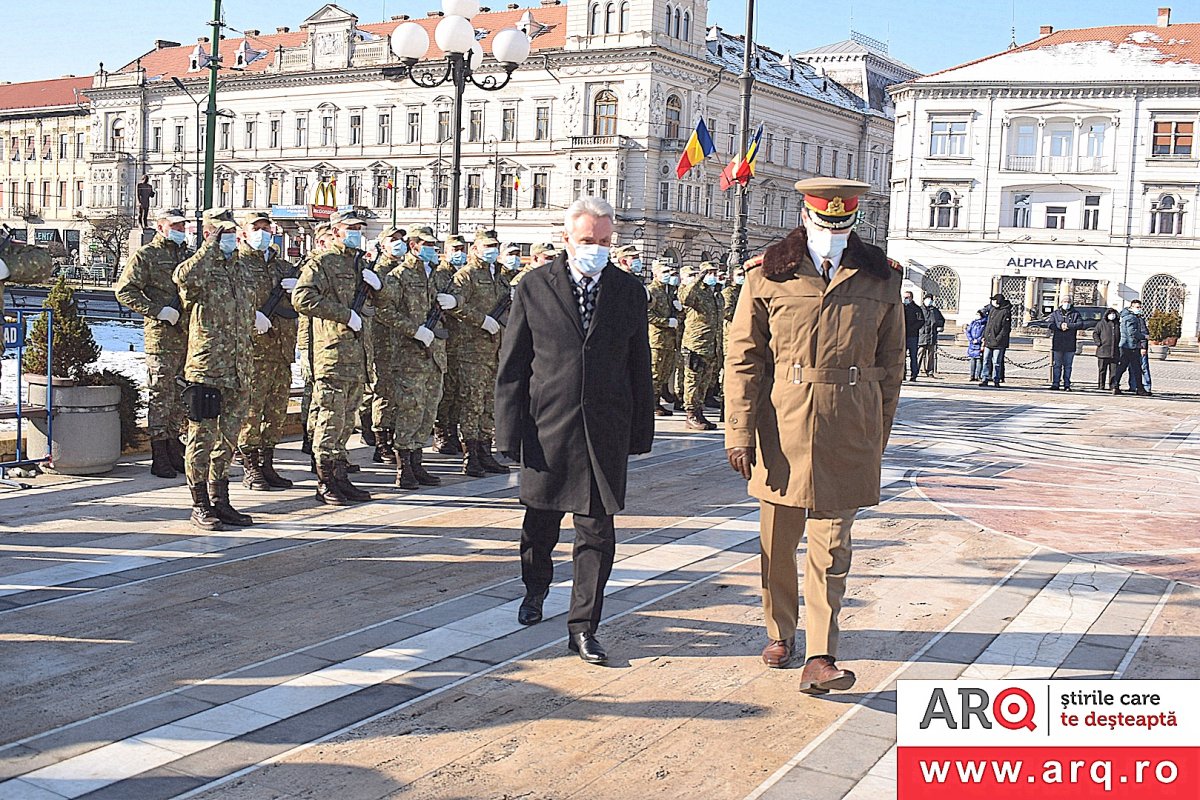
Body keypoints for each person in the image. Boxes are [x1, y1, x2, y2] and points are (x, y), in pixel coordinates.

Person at [725, 178, 903, 695]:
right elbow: (743, 360)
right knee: (778, 544)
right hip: (781, 426)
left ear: (853, 223)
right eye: (825, 224)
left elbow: (891, 364)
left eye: (841, 225)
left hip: (848, 427)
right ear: (806, 217)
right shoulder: (767, 274)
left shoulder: (879, 278)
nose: (832, 233)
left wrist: (878, 430)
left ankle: (822, 654)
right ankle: (780, 633)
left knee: (832, 549)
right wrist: (738, 431)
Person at [495, 196, 655, 665]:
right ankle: (535, 587)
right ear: (567, 239)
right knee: (540, 523)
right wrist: (508, 432)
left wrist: (640, 431)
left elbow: (638, 365)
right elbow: (514, 364)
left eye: (605, 241)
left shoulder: (627, 290)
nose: (597, 249)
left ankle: (583, 627)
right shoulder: (534, 286)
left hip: (605, 426)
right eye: (588, 241)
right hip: (549, 425)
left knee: (597, 532)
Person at [174, 208, 257, 530]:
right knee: (201, 439)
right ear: (209, 234)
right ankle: (200, 504)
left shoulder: (241, 268)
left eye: (231, 233)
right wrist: (209, 246)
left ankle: (221, 500)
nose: (229, 239)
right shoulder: (202, 268)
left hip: (239, 368)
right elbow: (183, 278)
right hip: (208, 367)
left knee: (228, 439)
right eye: (222, 234)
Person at [292, 210, 380, 504]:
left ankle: (341, 477)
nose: (357, 232)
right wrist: (344, 314)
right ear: (337, 231)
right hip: (332, 354)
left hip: (358, 356)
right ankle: (325, 481)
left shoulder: (359, 264)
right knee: (329, 420)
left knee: (345, 422)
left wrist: (378, 286)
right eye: (351, 228)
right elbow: (302, 298)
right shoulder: (322, 262)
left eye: (360, 228)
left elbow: (378, 302)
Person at [374, 225, 457, 489]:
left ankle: (418, 463)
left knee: (428, 409)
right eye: (429, 246)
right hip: (411, 354)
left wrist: (454, 301)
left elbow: (461, 296)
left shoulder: (438, 276)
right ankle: (404, 467)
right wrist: (414, 330)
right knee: (410, 410)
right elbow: (382, 310)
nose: (434, 249)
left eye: (435, 245)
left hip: (436, 355)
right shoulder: (399, 276)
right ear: (414, 246)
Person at [114, 208, 191, 478]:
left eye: (183, 226)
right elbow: (125, 291)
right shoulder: (146, 256)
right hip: (161, 336)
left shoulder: (187, 256)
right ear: (161, 227)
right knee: (161, 394)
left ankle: (173, 447)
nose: (181, 231)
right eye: (176, 226)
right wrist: (157, 310)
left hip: (186, 335)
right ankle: (159, 453)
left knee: (181, 395)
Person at [236, 212, 299, 490]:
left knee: (276, 412)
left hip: (282, 350)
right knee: (251, 412)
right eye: (256, 227)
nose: (262, 232)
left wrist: (295, 290)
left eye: (266, 227)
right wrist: (252, 317)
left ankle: (268, 463)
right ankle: (250, 467)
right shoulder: (236, 265)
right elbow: (227, 302)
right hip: (253, 352)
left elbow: (305, 301)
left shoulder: (282, 267)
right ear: (244, 232)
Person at [447, 228, 511, 477]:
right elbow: (454, 304)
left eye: (495, 246)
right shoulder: (466, 275)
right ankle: (470, 454)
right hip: (472, 348)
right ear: (475, 249)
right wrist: (481, 319)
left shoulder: (500, 276)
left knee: (489, 402)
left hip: (496, 349)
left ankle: (485, 450)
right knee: (472, 402)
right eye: (487, 246)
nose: (492, 250)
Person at [364, 226, 407, 466]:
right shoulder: (377, 271)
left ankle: (393, 436)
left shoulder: (402, 270)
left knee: (398, 392)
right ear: (382, 245)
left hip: (402, 341)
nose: (398, 243)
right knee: (384, 391)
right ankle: (381, 442)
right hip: (383, 339)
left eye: (401, 239)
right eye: (393, 240)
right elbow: (378, 309)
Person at [298, 223, 334, 466]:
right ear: (321, 243)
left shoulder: (336, 267)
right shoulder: (312, 268)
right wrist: (304, 349)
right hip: (315, 342)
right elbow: (305, 318)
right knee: (315, 398)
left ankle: (329, 454)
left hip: (329, 341)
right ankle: (312, 444)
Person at [433, 234, 470, 456]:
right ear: (446, 250)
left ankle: (453, 431)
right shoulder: (440, 274)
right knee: (445, 390)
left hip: (463, 340)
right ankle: (442, 432)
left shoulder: (464, 274)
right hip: (445, 339)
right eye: (454, 248)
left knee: (457, 389)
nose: (459, 252)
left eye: (461, 248)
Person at [679, 262, 721, 430]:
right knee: (693, 381)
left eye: (714, 272)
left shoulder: (715, 294)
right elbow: (685, 298)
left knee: (704, 381)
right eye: (709, 272)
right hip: (695, 344)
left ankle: (699, 410)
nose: (713, 275)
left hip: (712, 345)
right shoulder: (696, 292)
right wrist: (698, 278)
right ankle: (691, 414)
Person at [647, 260, 680, 417]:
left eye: (670, 272)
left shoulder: (669, 291)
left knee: (665, 373)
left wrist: (678, 310)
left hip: (670, 340)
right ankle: (652, 403)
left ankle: (658, 400)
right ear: (656, 275)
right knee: (655, 372)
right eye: (664, 273)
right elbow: (647, 314)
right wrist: (666, 322)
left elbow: (677, 314)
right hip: (658, 339)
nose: (668, 275)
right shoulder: (652, 291)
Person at [1045, 299, 1085, 391]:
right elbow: (1050, 324)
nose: (1066, 303)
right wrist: (1059, 326)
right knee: (1057, 365)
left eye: (1068, 302)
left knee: (1068, 366)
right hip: (1058, 343)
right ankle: (1055, 383)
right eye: (1065, 301)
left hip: (1070, 343)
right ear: (1061, 303)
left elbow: (1080, 324)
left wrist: (1068, 326)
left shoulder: (1075, 313)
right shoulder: (1056, 313)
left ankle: (1067, 384)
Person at [1113, 301, 1150, 396]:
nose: (1139, 309)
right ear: (1131, 307)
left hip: (1127, 345)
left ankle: (1115, 385)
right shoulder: (1131, 318)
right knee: (1136, 368)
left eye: (1140, 307)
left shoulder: (1126, 316)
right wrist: (1143, 337)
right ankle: (1139, 389)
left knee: (1123, 367)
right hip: (1130, 346)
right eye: (1137, 307)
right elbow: (1132, 332)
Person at [980, 294, 1013, 388]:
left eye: (994, 300)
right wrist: (984, 336)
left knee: (996, 362)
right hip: (988, 340)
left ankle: (996, 379)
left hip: (999, 342)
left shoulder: (1005, 312)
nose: (993, 302)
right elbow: (988, 325)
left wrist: (998, 339)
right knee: (986, 360)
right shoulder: (992, 310)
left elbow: (1005, 329)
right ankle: (985, 378)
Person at [1093, 308, 1121, 389]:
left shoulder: (1117, 324)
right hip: (1103, 351)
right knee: (1102, 369)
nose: (1112, 315)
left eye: (1113, 314)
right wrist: (1098, 343)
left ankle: (1112, 385)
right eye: (1110, 313)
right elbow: (1095, 333)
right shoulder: (1101, 324)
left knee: (1113, 370)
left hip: (1114, 351)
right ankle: (1101, 385)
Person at [917, 295, 944, 377]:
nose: (929, 301)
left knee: (931, 355)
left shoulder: (935, 311)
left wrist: (938, 325)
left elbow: (941, 320)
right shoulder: (920, 309)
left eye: (930, 299)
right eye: (927, 299)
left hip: (932, 336)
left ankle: (930, 371)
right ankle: (916, 370)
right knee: (920, 353)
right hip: (922, 336)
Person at [901, 291, 923, 381]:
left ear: (911, 298)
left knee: (913, 356)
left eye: (907, 297)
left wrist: (912, 328)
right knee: (902, 356)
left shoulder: (916, 309)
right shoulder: (901, 308)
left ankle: (914, 374)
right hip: (902, 335)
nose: (906, 299)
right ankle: (903, 374)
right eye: (904, 297)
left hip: (913, 336)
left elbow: (921, 321)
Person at [965, 309, 986, 382]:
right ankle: (972, 375)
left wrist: (978, 340)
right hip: (972, 344)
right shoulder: (973, 323)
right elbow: (968, 331)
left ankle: (978, 375)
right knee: (972, 360)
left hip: (979, 344)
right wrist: (971, 339)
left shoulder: (984, 324)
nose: (977, 316)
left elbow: (984, 334)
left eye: (978, 315)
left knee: (979, 360)